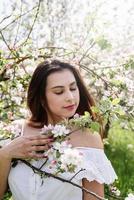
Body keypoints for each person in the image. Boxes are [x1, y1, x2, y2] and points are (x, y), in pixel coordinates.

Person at [0, 60, 117, 200]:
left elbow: (94, 198)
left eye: (73, 88)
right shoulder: (16, 131)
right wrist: (5, 155)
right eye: (59, 91)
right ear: (41, 97)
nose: (70, 97)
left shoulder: (88, 138)